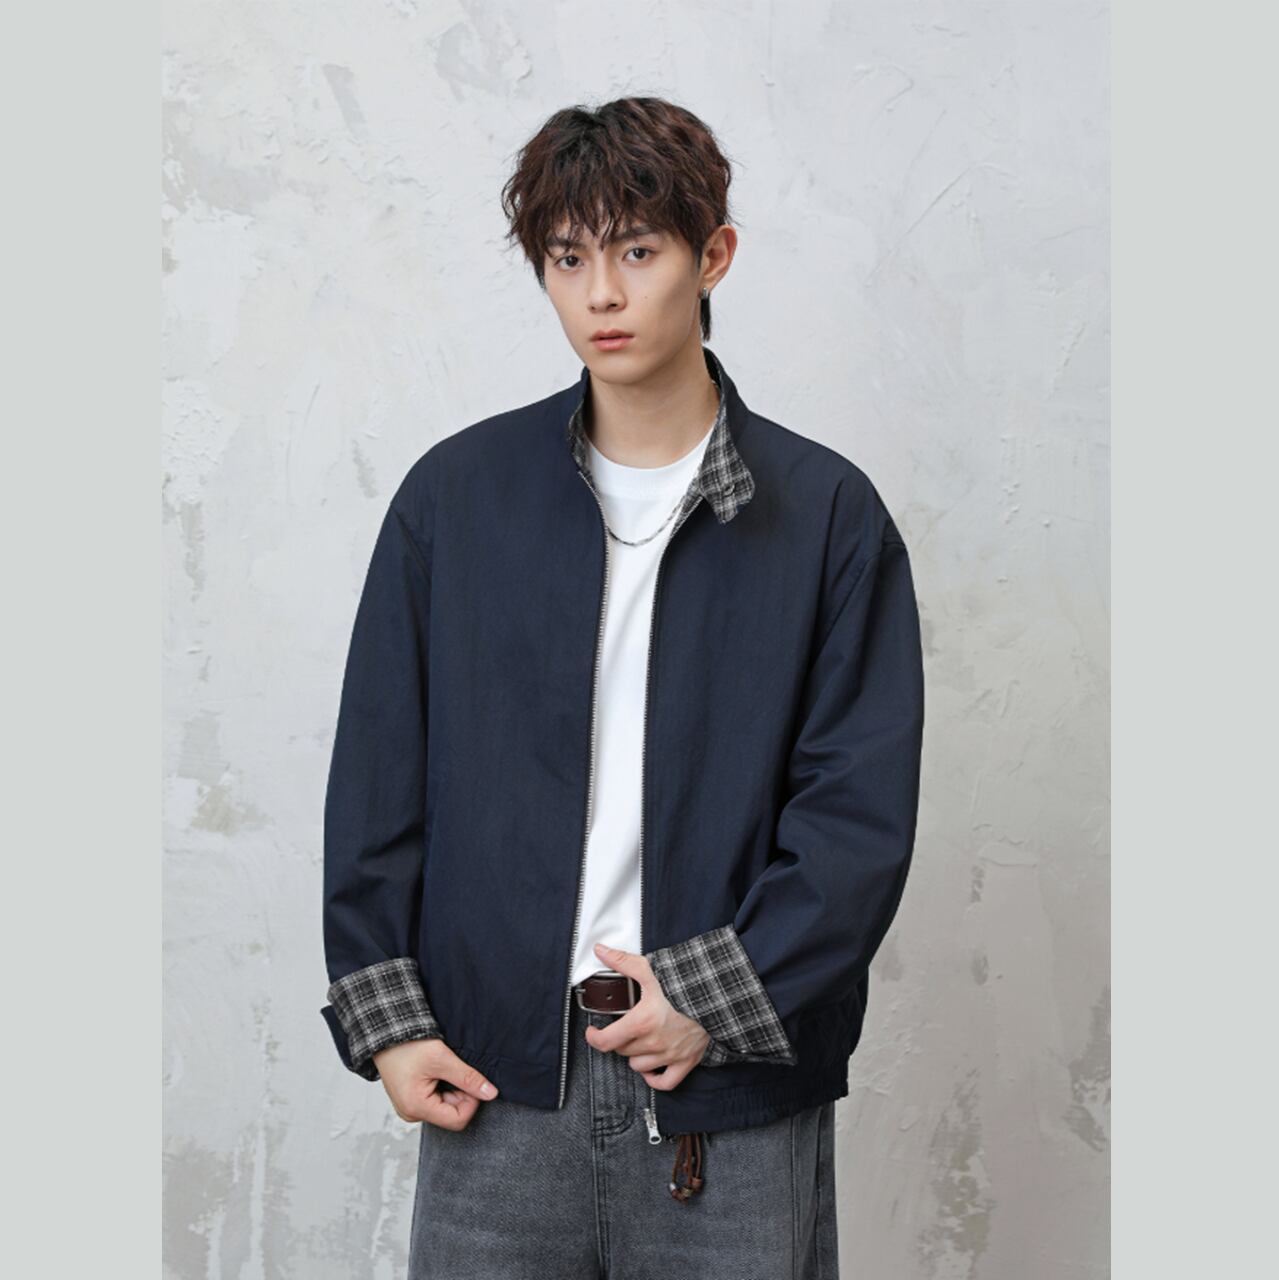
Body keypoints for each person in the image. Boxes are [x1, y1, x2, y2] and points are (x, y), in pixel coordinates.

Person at [319, 95, 925, 1279]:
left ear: (714, 255)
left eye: (638, 252)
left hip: (726, 1089)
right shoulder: (457, 499)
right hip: (497, 1078)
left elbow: (856, 818)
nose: (601, 293)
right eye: (567, 258)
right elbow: (378, 778)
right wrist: (388, 1023)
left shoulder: (826, 517)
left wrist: (711, 995)